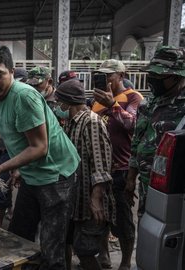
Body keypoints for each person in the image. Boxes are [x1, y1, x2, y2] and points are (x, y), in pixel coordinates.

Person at [0, 45, 80, 269]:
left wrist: (0, 168)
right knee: (18, 239)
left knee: (52, 249)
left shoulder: (24, 97)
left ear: (12, 72)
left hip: (56, 175)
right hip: (32, 176)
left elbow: (39, 147)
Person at [127, 47, 185, 219]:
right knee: (145, 224)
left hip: (173, 189)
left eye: (158, 76)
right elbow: (137, 140)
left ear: (177, 76)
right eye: (152, 75)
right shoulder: (148, 103)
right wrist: (130, 179)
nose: (152, 80)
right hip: (145, 182)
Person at [54, 80, 115, 270]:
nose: (57, 106)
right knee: (65, 243)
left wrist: (96, 199)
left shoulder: (91, 122)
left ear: (67, 102)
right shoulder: (71, 124)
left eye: (59, 101)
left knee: (85, 251)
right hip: (76, 201)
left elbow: (101, 165)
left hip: (90, 204)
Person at [91, 59, 143, 270]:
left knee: (123, 219)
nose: (105, 80)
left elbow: (133, 124)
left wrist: (112, 105)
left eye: (109, 76)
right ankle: (103, 255)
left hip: (121, 169)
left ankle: (124, 262)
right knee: (100, 216)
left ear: (121, 76)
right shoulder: (96, 100)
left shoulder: (133, 97)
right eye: (101, 76)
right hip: (99, 168)